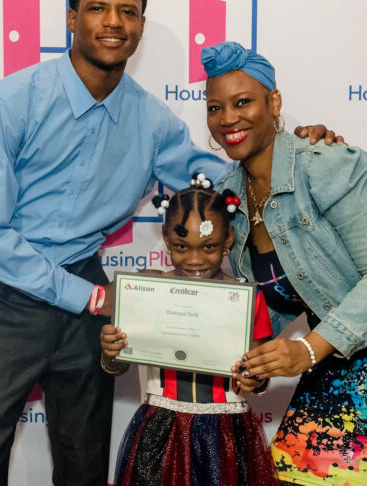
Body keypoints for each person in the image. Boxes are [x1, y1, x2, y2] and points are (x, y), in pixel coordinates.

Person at [0, 0, 337, 486]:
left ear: (139, 25)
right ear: (71, 18)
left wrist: (298, 146)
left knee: (83, 463)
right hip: (3, 300)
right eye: (97, 8)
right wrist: (91, 297)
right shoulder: (13, 100)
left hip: (87, 300)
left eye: (127, 12)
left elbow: (232, 179)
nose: (113, 22)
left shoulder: (153, 123)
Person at [203, 41, 367, 486]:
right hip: (338, 347)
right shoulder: (229, 197)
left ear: (275, 102)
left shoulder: (325, 164)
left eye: (243, 101)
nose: (228, 118)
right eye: (215, 107)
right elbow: (284, 297)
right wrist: (257, 363)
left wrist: (306, 350)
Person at [100, 176, 280, 486]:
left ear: (228, 239)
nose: (195, 259)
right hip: (160, 429)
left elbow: (260, 377)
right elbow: (117, 365)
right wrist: (111, 353)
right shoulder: (147, 290)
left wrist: (255, 377)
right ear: (167, 240)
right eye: (182, 247)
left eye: (208, 246)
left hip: (226, 434)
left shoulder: (248, 298)